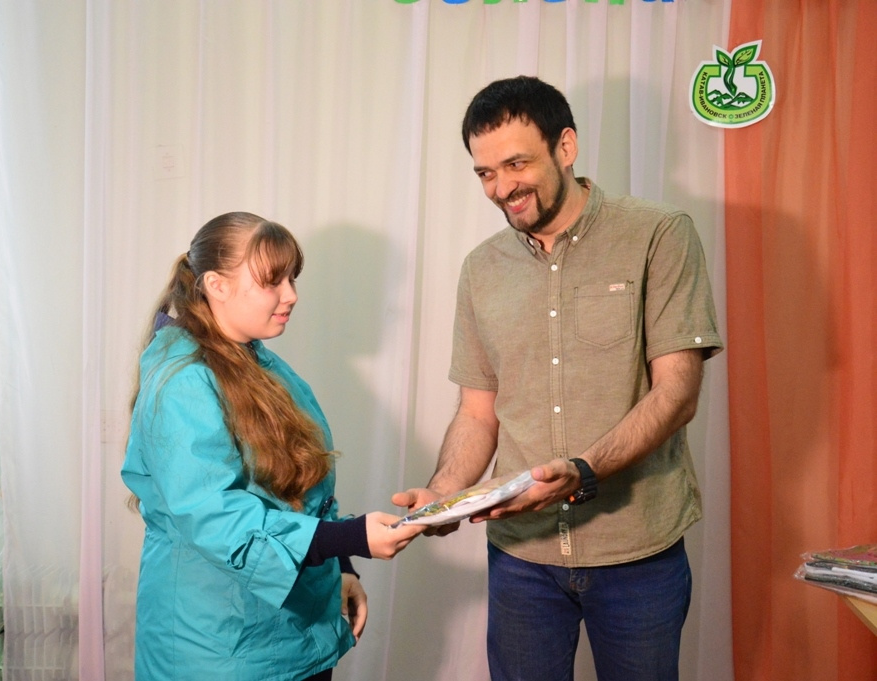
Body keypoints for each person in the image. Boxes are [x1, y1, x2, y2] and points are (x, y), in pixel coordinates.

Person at [393, 76, 723, 681]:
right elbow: (477, 412)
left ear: (565, 147)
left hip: (637, 551)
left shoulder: (658, 234)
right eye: (485, 173)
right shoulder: (481, 269)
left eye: (516, 164)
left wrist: (583, 470)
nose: (501, 188)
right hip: (521, 558)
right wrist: (444, 495)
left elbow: (677, 393)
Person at [122, 212, 422, 681]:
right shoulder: (183, 383)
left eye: (292, 279)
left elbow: (301, 486)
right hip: (218, 647)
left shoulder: (259, 364)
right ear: (216, 285)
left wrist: (341, 566)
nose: (291, 295)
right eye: (272, 281)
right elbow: (217, 519)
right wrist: (350, 538)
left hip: (288, 634)